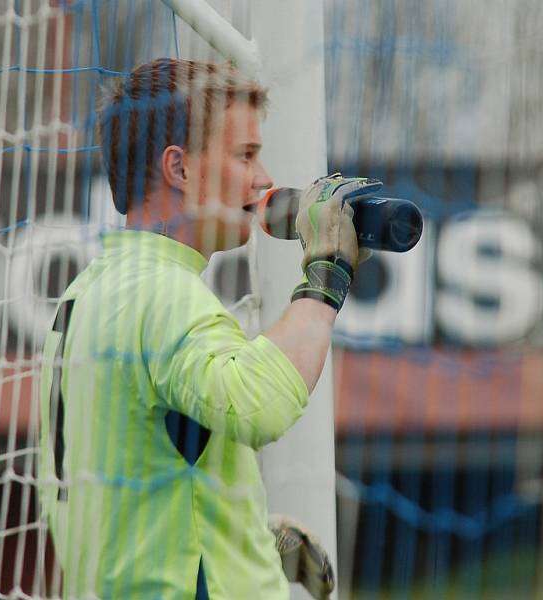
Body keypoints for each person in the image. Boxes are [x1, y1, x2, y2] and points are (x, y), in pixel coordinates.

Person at [38, 57, 381, 599]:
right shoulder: (164, 292)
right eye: (246, 154)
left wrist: (241, 535)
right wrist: (327, 274)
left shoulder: (88, 292)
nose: (265, 178)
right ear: (180, 169)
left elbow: (133, 467)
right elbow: (256, 403)